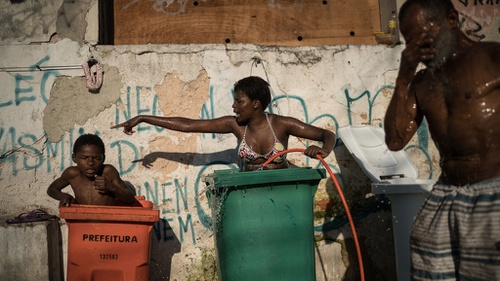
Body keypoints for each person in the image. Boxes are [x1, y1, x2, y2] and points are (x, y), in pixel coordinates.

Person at [384, 0, 500, 279]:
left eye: (422, 37)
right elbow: (395, 140)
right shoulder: (421, 82)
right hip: (446, 195)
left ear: (451, 20)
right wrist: (403, 76)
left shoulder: (493, 57)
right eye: (409, 41)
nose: (416, 49)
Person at [111, 76, 336, 171]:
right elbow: (189, 125)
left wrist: (324, 149)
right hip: (250, 192)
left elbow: (327, 135)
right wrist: (143, 118)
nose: (234, 106)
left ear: (256, 104)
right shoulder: (235, 125)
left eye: (239, 101)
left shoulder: (282, 124)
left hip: (282, 190)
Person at [47, 134, 137, 206]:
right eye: (84, 158)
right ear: (74, 158)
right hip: (83, 221)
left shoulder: (108, 172)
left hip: (107, 222)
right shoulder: (72, 174)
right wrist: (65, 196)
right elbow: (52, 189)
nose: (90, 163)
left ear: (103, 158)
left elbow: (130, 199)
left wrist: (112, 188)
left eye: (97, 158)